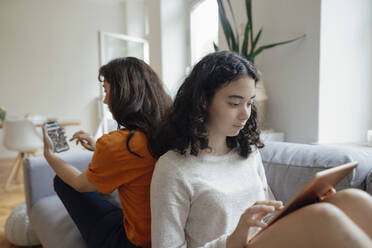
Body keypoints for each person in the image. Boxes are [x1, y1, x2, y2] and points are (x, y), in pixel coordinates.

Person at [150, 51, 372, 248]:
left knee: (351, 199)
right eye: (235, 104)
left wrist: (304, 204)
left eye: (249, 103)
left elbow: (269, 215)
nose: (245, 114)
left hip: (263, 241)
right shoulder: (173, 168)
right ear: (203, 101)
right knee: (323, 216)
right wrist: (232, 240)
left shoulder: (247, 153)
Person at [42, 57, 172, 248]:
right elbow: (141, 160)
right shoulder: (171, 132)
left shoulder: (118, 144)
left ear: (124, 94)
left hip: (131, 242)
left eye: (106, 90)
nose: (104, 99)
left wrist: (49, 155)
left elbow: (79, 184)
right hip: (167, 236)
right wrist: (97, 146)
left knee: (63, 181)